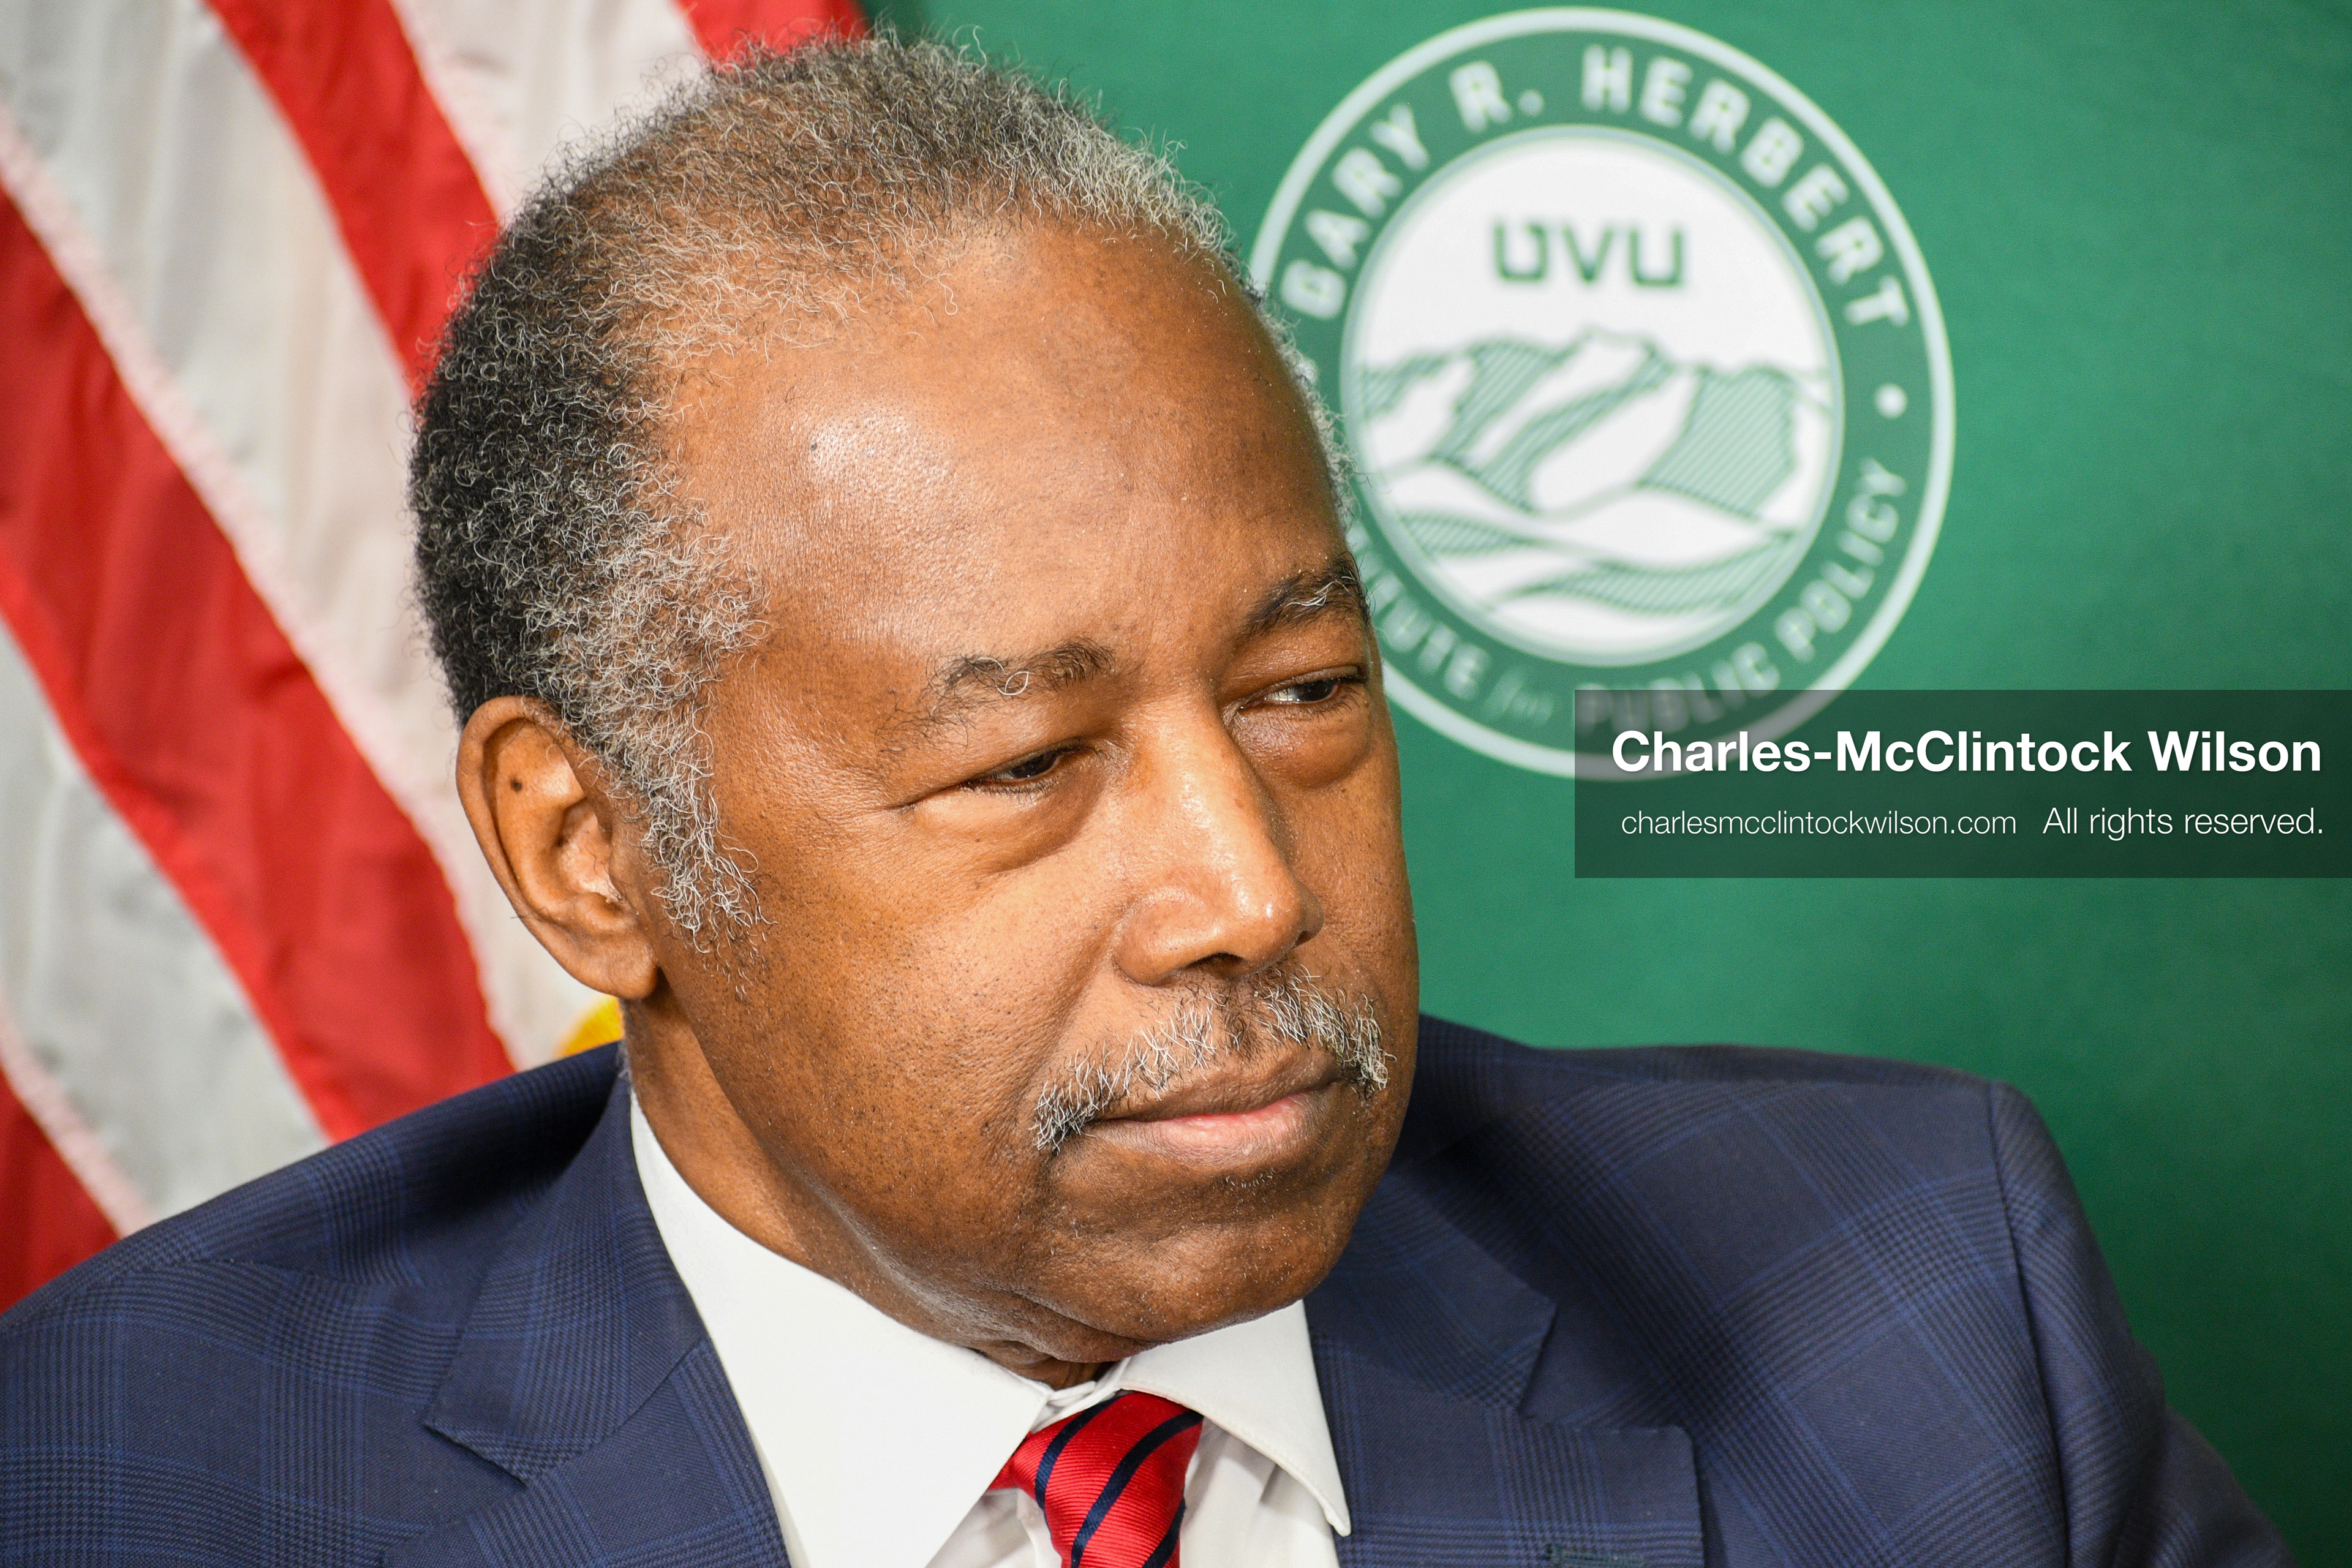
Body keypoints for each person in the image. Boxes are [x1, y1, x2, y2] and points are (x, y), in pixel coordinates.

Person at [0, 37, 2290, 1568]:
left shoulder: (1914, 1314)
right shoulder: (134, 1476)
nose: (1249, 888)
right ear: (593, 857)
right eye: (1021, 762)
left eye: (1304, 692)